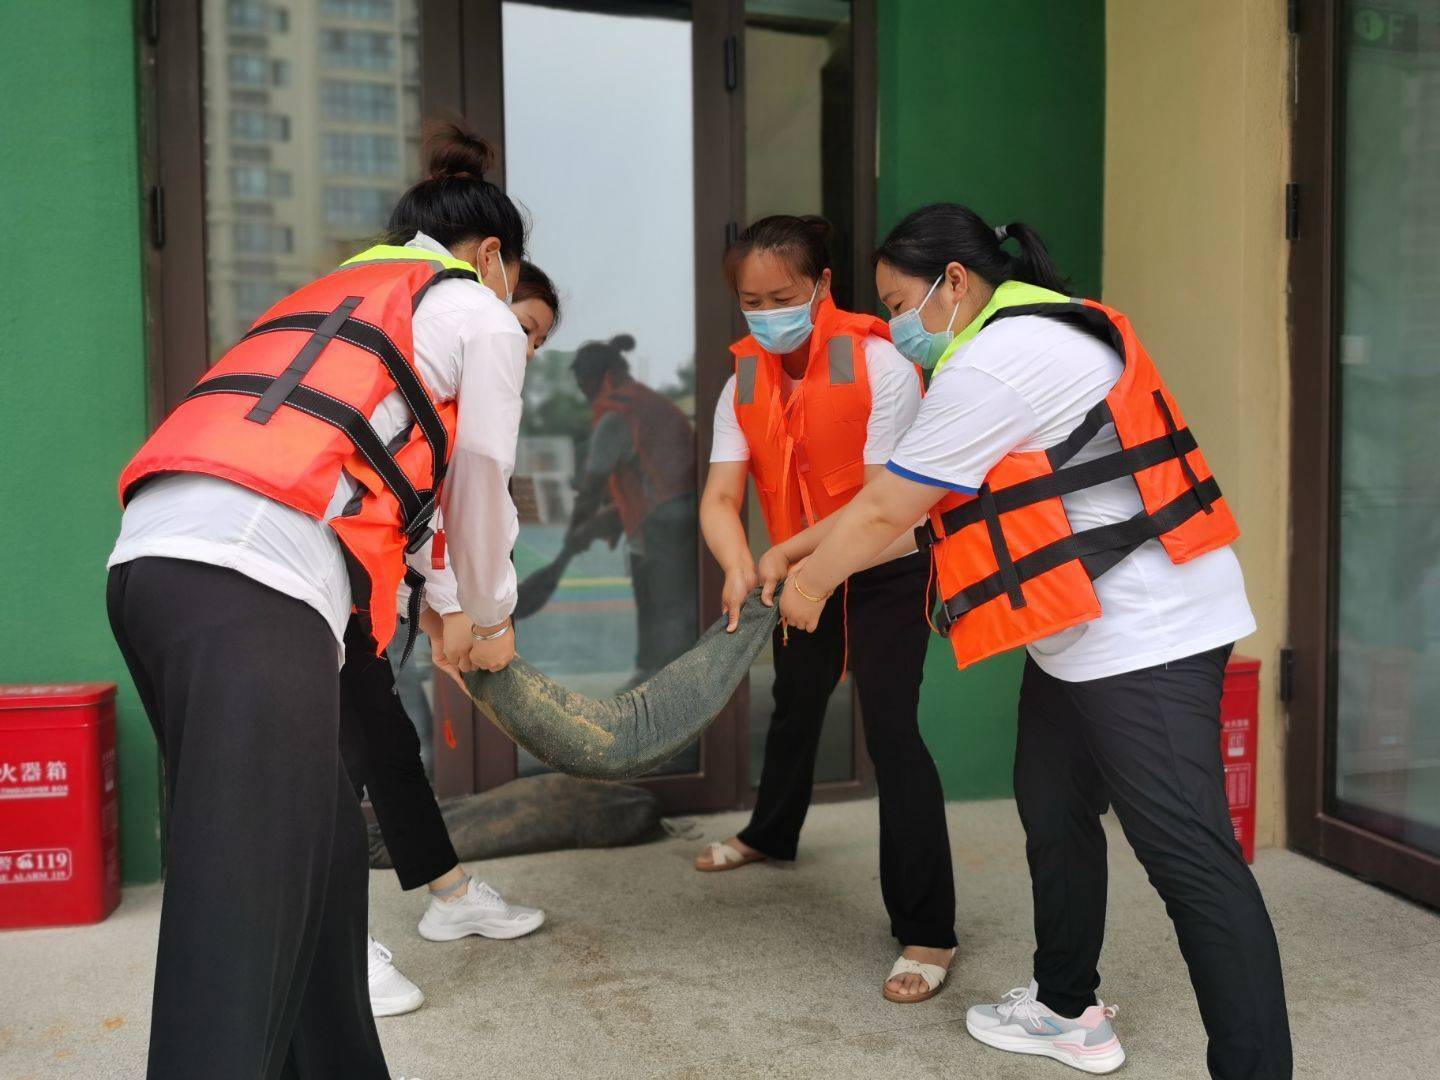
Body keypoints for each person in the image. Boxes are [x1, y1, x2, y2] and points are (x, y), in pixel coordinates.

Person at [772, 202, 1291, 1077]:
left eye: (902, 305)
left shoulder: (997, 363)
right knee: (1052, 806)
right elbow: (931, 510)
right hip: (1080, 633)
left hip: (1147, 637)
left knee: (1188, 858)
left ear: (956, 284)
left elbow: (893, 506)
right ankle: (1064, 1008)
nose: (899, 327)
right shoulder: (1018, 342)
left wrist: (813, 587)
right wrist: (792, 549)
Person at [107, 121, 529, 1078]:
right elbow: (484, 481)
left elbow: (369, 472)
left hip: (155, 567)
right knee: (244, 909)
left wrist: (442, 597)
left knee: (324, 861)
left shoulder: (335, 292)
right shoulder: (477, 310)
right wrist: (489, 616)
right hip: (252, 583)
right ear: (494, 254)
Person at [696, 214, 958, 1005]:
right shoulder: (741, 377)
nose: (768, 309)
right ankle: (771, 833)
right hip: (794, 569)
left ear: (822, 289)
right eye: (752, 298)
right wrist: (741, 560)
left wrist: (786, 556)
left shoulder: (882, 365)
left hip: (884, 565)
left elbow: (885, 505)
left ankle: (928, 929)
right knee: (796, 703)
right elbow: (718, 497)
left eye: (784, 294)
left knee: (890, 730)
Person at [353, 260, 560, 1018]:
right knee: (345, 757)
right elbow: (464, 506)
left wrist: (440, 618)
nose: (524, 349)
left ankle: (447, 893)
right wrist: (483, 617)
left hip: (363, 588)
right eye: (525, 328)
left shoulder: (427, 382)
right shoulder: (435, 353)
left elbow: (425, 509)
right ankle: (339, 949)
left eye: (536, 340)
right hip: (317, 579)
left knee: (381, 741)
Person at [569, 334, 699, 685]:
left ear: (594, 377)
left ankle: (666, 689)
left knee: (664, 608)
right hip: (677, 516)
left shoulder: (617, 413)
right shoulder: (645, 401)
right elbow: (642, 476)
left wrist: (572, 538)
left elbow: (593, 487)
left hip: (666, 524)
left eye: (581, 382)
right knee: (668, 606)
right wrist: (605, 523)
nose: (582, 391)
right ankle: (657, 678)